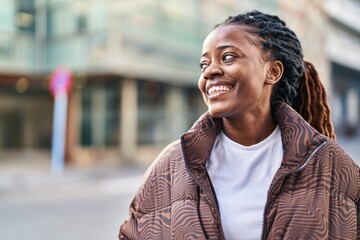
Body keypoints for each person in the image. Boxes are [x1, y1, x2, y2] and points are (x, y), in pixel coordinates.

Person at [119, 10, 359, 240]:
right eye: (204, 64)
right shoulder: (171, 165)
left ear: (273, 72)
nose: (210, 71)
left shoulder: (328, 162)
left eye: (228, 57)